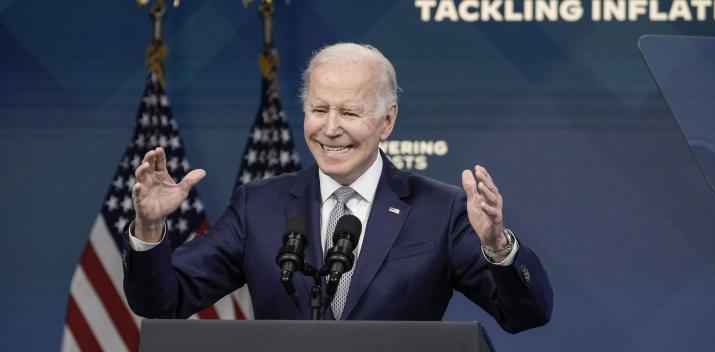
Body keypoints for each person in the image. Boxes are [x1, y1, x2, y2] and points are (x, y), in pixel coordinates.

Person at [124, 43, 552, 333]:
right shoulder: (260, 206)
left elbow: (525, 314)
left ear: (387, 121)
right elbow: (164, 302)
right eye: (318, 109)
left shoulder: (439, 209)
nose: (331, 128)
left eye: (349, 111)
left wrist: (497, 245)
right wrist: (148, 229)